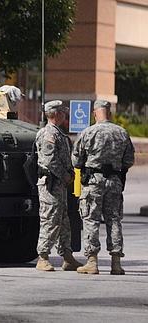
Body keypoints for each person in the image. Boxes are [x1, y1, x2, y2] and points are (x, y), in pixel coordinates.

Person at [72, 100, 135, 275]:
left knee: (91, 220)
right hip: (114, 182)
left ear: (94, 113)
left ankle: (92, 262)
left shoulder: (88, 133)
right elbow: (129, 160)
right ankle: (116, 263)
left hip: (93, 181)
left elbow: (76, 160)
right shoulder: (122, 133)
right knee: (114, 220)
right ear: (110, 113)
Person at [34, 100, 83, 272]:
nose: (65, 115)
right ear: (55, 114)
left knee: (63, 220)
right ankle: (43, 257)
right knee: (50, 219)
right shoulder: (48, 133)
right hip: (51, 184)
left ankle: (67, 257)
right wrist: (65, 175)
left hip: (59, 185)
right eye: (62, 112)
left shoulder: (58, 133)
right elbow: (49, 160)